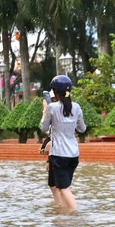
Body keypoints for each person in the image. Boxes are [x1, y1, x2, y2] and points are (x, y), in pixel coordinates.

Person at [39, 74, 86, 211]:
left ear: (54, 91)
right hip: (72, 154)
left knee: (64, 188)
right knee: (53, 184)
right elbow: (82, 128)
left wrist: (44, 111)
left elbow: (43, 128)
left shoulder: (52, 108)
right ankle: (61, 210)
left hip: (59, 154)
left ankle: (75, 214)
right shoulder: (76, 107)